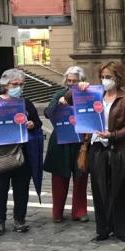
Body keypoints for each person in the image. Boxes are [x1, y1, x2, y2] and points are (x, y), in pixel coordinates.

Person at [66, 61, 125, 242]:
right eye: (103, 77)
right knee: (99, 188)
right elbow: (68, 98)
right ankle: (103, 228)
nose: (105, 80)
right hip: (96, 147)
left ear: (117, 78)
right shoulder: (95, 95)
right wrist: (81, 88)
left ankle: (122, 228)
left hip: (116, 148)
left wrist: (111, 134)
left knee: (119, 188)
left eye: (109, 77)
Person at [0, 68, 41, 236]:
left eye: (21, 84)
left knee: (21, 189)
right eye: (14, 84)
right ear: (5, 85)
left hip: (21, 153)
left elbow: (38, 123)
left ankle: (20, 219)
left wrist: (32, 124)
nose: (18, 87)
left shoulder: (26, 103)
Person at [43, 66, 89, 223]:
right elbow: (48, 113)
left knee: (80, 176)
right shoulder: (59, 94)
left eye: (74, 81)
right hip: (61, 140)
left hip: (80, 141)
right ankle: (57, 212)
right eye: (68, 81)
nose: (71, 84)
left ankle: (79, 211)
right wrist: (58, 104)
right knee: (59, 178)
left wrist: (87, 89)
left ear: (81, 81)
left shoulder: (86, 94)